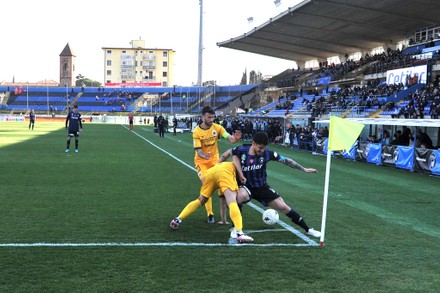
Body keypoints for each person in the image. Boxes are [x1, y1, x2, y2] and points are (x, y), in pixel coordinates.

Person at [219, 131, 321, 238]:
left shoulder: (267, 153)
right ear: (253, 143)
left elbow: (287, 161)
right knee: (240, 197)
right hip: (245, 186)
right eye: (260, 147)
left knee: (283, 207)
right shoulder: (241, 150)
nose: (262, 150)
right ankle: (236, 228)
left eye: (263, 148)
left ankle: (308, 229)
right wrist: (218, 165)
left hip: (262, 187)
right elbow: (227, 153)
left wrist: (304, 169)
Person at [169, 162, 253, 243]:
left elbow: (222, 198)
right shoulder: (235, 172)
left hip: (211, 172)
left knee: (200, 200)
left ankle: (177, 219)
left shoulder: (228, 164)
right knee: (232, 202)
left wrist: (223, 220)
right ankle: (239, 233)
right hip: (224, 174)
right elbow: (225, 199)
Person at [193, 106, 241, 224]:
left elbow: (229, 138)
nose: (211, 119)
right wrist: (204, 156)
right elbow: (198, 151)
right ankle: (210, 213)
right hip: (201, 162)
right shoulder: (197, 132)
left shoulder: (218, 128)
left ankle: (223, 219)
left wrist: (235, 138)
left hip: (215, 161)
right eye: (209, 117)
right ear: (203, 117)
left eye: (213, 117)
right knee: (207, 185)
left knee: (222, 188)